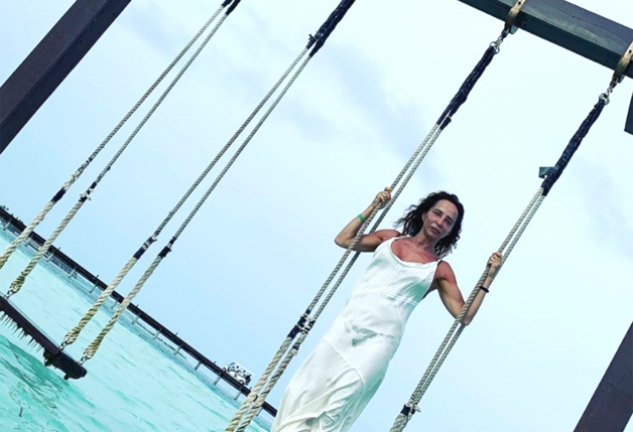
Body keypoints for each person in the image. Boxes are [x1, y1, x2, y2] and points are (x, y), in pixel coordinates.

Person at [270, 188, 502, 432]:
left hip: (379, 344)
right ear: (424, 214)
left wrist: (489, 278)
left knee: (338, 405)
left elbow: (463, 316)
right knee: (303, 390)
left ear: (451, 231)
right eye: (437, 214)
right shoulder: (389, 238)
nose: (440, 222)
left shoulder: (440, 270)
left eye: (448, 222)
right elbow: (344, 240)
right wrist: (373, 207)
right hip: (345, 328)